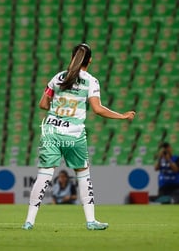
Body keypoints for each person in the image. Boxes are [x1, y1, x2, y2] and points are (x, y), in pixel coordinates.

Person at [22, 43, 136, 231]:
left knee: (44, 175)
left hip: (51, 131)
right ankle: (91, 221)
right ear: (89, 60)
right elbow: (98, 109)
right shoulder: (91, 81)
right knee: (83, 174)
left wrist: (58, 111)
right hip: (74, 134)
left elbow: (43, 104)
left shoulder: (58, 77)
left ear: (73, 57)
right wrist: (122, 116)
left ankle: (29, 222)